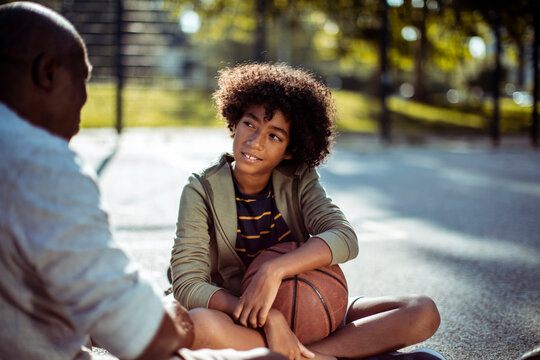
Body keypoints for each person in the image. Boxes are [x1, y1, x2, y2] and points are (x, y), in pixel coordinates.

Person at [0, 3, 283, 360]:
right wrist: (168, 313)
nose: (85, 99)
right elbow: (146, 335)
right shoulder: (38, 162)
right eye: (83, 79)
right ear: (47, 72)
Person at [170, 63, 445, 360]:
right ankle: (338, 355)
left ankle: (300, 355)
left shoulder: (299, 179)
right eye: (250, 124)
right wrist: (271, 319)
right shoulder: (201, 189)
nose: (255, 141)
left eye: (274, 136)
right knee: (197, 325)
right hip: (245, 317)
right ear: (235, 122)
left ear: (290, 149)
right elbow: (187, 282)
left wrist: (274, 270)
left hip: (314, 308)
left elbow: (344, 237)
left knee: (421, 311)